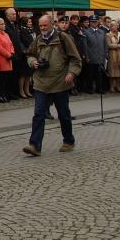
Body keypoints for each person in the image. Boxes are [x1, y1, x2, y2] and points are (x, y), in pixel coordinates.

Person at [23, 14, 81, 156]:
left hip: (60, 82)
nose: (42, 28)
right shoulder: (38, 39)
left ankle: (68, 141)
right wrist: (32, 62)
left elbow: (75, 59)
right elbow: (29, 54)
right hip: (41, 83)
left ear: (52, 24)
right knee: (38, 114)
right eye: (40, 26)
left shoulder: (63, 38)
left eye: (45, 26)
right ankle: (35, 145)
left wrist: (71, 73)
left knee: (64, 114)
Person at [0, 17, 15, 103]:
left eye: (4, 23)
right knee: (0, 80)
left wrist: (12, 53)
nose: (4, 25)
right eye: (2, 24)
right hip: (1, 60)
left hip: (8, 59)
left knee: (6, 79)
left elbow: (11, 44)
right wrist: (8, 55)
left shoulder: (6, 34)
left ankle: (5, 94)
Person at [81, 15, 107, 94]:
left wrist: (105, 54)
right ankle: (90, 89)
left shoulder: (102, 32)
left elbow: (105, 44)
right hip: (91, 57)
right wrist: (86, 56)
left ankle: (99, 89)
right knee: (90, 75)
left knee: (99, 74)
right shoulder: (86, 32)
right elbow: (85, 45)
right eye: (92, 22)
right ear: (90, 23)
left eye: (95, 21)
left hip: (100, 57)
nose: (94, 23)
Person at [106, 23, 120, 93]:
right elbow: (108, 45)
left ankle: (118, 86)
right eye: (114, 26)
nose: (115, 27)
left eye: (116, 26)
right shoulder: (108, 35)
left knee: (119, 71)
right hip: (112, 55)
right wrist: (117, 46)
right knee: (112, 71)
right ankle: (112, 86)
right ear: (111, 27)